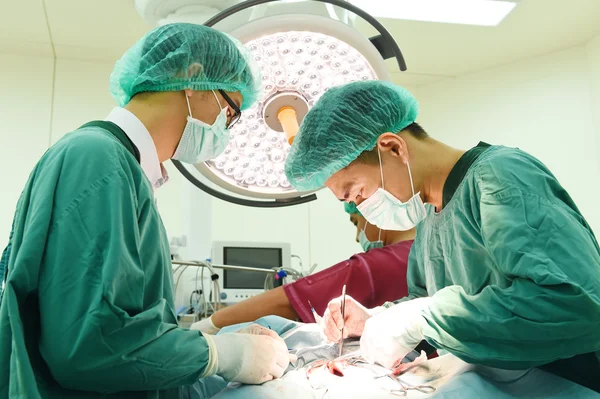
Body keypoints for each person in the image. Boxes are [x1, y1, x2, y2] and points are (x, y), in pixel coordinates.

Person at [0, 23, 295, 398]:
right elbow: (87, 346)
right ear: (194, 77)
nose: (226, 129)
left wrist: (192, 339)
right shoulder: (96, 161)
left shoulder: (122, 170)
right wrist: (217, 354)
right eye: (230, 111)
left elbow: (121, 325)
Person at [284, 80, 600, 392]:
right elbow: (433, 305)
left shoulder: (501, 178)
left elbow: (574, 304)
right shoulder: (430, 219)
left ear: (393, 147)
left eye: (355, 192)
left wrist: (422, 317)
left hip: (570, 382)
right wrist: (380, 317)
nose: (358, 208)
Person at [191, 202, 415, 333]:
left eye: (356, 223)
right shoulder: (421, 253)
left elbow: (288, 302)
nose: (358, 237)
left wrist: (204, 327)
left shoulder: (377, 264)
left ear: (374, 210)